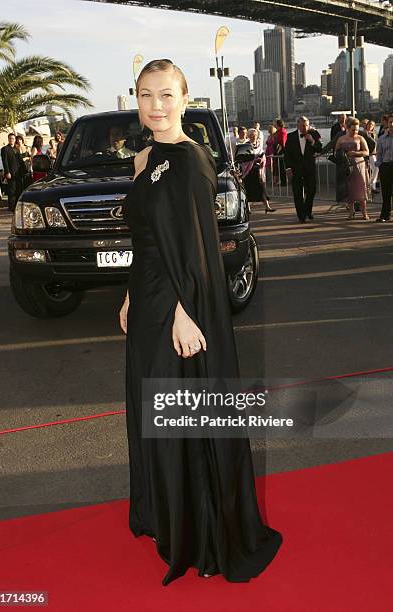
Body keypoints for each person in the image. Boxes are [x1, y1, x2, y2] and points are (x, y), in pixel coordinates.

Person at [118, 58, 282, 587]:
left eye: (167, 95)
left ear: (186, 99)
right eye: (146, 95)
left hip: (176, 306)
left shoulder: (192, 161)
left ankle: (198, 529)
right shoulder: (144, 158)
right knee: (151, 408)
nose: (156, 106)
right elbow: (146, 237)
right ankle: (164, 517)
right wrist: (127, 296)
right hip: (145, 303)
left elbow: (197, 246)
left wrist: (186, 312)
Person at [284, 116, 322, 222]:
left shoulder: (314, 134)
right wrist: (288, 168)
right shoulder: (290, 136)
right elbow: (287, 154)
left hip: (310, 168)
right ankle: (301, 216)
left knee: (312, 191)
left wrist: (312, 141)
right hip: (296, 169)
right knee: (297, 193)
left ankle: (307, 210)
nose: (304, 128)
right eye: (302, 126)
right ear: (298, 125)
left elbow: (320, 147)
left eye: (306, 125)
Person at [335, 117, 370, 220]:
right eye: (353, 129)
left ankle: (364, 213)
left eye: (357, 129)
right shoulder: (341, 139)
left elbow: (367, 152)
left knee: (361, 188)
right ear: (347, 128)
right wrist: (341, 155)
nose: (355, 131)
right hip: (346, 167)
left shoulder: (360, 138)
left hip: (358, 165)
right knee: (349, 189)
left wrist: (355, 153)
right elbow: (336, 152)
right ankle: (351, 212)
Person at [239, 128, 275, 213]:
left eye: (255, 135)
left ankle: (267, 206)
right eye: (251, 135)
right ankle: (248, 209)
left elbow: (263, 155)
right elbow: (243, 159)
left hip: (258, 170)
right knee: (248, 190)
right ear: (249, 136)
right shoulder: (245, 145)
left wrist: (262, 159)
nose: (253, 137)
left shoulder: (258, 144)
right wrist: (253, 160)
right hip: (248, 171)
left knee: (261, 188)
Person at [374, 114, 393, 223]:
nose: (392, 124)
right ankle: (385, 215)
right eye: (390, 122)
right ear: (387, 124)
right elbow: (379, 154)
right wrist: (379, 164)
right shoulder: (381, 138)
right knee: (386, 193)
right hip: (385, 167)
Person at [1, 133, 24, 211]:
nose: (12, 140)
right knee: (12, 190)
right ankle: (11, 207)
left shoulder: (16, 149)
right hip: (11, 172)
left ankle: (17, 206)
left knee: (19, 189)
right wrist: (7, 172)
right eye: (10, 138)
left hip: (18, 173)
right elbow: (5, 162)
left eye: (13, 139)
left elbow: (20, 161)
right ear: (8, 139)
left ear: (15, 140)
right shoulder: (5, 149)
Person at [364, 120, 379, 194]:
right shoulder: (364, 133)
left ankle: (372, 185)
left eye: (372, 125)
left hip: (374, 154)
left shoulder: (374, 134)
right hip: (367, 154)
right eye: (369, 124)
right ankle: (370, 186)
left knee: (376, 169)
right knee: (368, 171)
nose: (370, 126)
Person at [273, 118, 287, 186]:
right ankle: (282, 181)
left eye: (274, 122)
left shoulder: (282, 131)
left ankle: (284, 182)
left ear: (277, 124)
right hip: (277, 152)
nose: (273, 124)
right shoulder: (278, 131)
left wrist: (280, 152)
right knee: (279, 167)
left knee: (282, 167)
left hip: (281, 152)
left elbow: (282, 143)